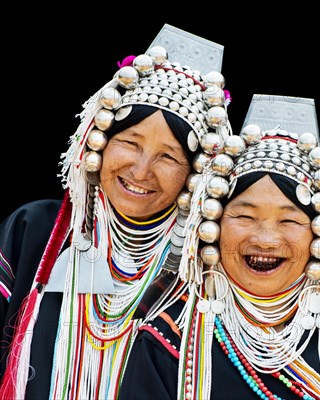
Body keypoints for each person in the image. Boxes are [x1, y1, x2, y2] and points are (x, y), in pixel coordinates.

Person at [117, 111, 320, 399]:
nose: (265, 239)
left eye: (289, 220)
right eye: (245, 216)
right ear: (213, 226)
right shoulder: (172, 339)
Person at [0, 36, 232, 399]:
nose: (141, 170)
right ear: (98, 142)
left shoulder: (203, 267)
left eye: (168, 157)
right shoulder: (36, 231)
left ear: (195, 173)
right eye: (130, 143)